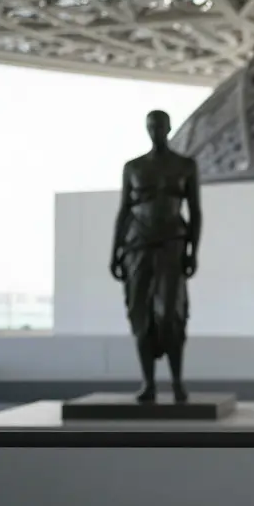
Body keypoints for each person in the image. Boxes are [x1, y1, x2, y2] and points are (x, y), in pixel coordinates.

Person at [109, 110, 202, 402]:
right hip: (136, 246)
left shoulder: (185, 166)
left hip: (172, 244)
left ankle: (176, 382)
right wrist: (114, 252)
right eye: (151, 126)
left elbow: (195, 211)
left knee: (172, 314)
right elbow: (124, 210)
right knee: (139, 314)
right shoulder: (133, 167)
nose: (156, 131)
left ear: (169, 128)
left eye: (160, 126)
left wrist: (193, 252)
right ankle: (148, 382)